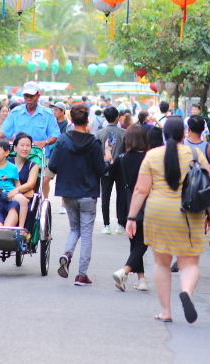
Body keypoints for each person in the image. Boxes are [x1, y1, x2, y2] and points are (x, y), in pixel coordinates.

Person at [125, 117, 210, 324]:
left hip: (158, 213)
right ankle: (186, 293)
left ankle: (166, 311)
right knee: (189, 262)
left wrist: (131, 217)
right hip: (190, 213)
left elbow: (140, 190)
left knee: (161, 263)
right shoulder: (196, 154)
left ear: (164, 135)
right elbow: (208, 187)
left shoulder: (152, 155)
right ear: (184, 134)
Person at [48, 102, 104, 286]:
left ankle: (67, 253)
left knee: (74, 229)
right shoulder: (94, 143)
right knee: (86, 234)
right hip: (88, 194)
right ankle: (81, 275)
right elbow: (101, 169)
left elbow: (53, 166)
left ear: (71, 118)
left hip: (68, 192)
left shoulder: (63, 140)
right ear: (87, 119)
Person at [111, 124, 151, 292]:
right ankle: (125, 271)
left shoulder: (121, 158)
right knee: (143, 242)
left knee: (135, 242)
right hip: (147, 205)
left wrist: (108, 154)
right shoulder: (150, 158)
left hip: (126, 205)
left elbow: (109, 175)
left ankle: (141, 279)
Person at [0, 82, 60, 166]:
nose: (29, 99)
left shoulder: (47, 114)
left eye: (31, 96)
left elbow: (55, 135)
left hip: (38, 158)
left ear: (38, 95)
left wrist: (45, 142)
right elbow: (4, 130)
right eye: (26, 96)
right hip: (18, 157)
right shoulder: (15, 113)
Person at [96, 106, 127, 235]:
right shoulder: (124, 133)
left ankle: (106, 225)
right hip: (120, 168)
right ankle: (120, 224)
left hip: (104, 168)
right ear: (117, 118)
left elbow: (96, 152)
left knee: (105, 196)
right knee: (121, 196)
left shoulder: (99, 133)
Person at [42, 101, 68, 206]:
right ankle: (46, 199)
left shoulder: (68, 124)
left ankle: (63, 205)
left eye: (56, 110)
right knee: (45, 179)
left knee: (64, 181)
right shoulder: (51, 122)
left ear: (63, 112)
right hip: (51, 154)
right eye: (54, 110)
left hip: (64, 156)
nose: (54, 112)